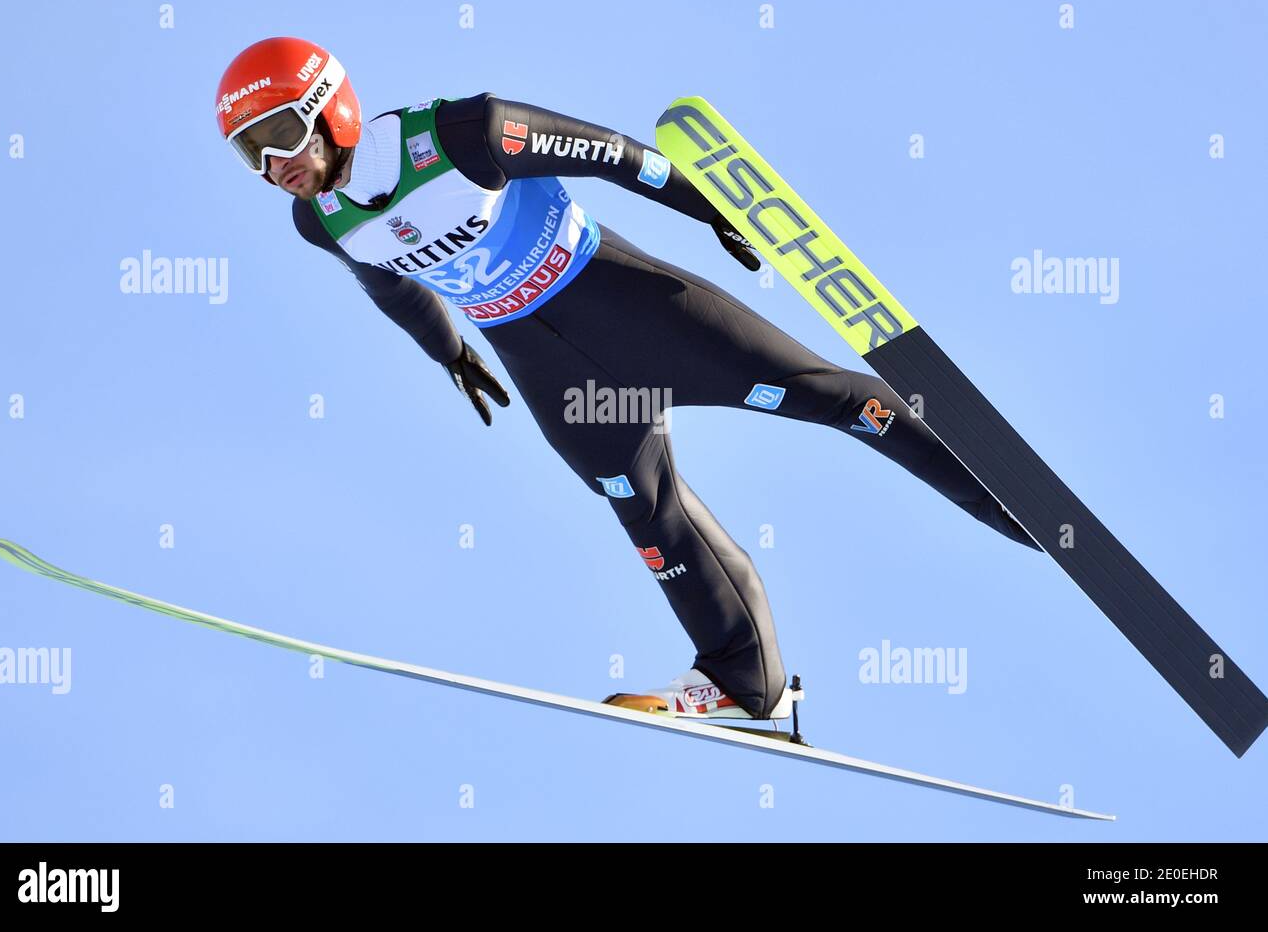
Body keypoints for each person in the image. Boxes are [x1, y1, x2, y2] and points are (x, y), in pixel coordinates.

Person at [215, 36, 1037, 722]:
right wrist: (451, 354)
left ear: (333, 106)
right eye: (250, 151)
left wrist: (714, 206)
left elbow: (618, 157)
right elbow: (391, 284)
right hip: (549, 370)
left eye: (281, 133)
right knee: (645, 509)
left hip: (625, 304)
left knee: (825, 396)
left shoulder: (467, 132)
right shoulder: (318, 221)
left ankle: (1011, 497)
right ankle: (749, 684)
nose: (274, 164)